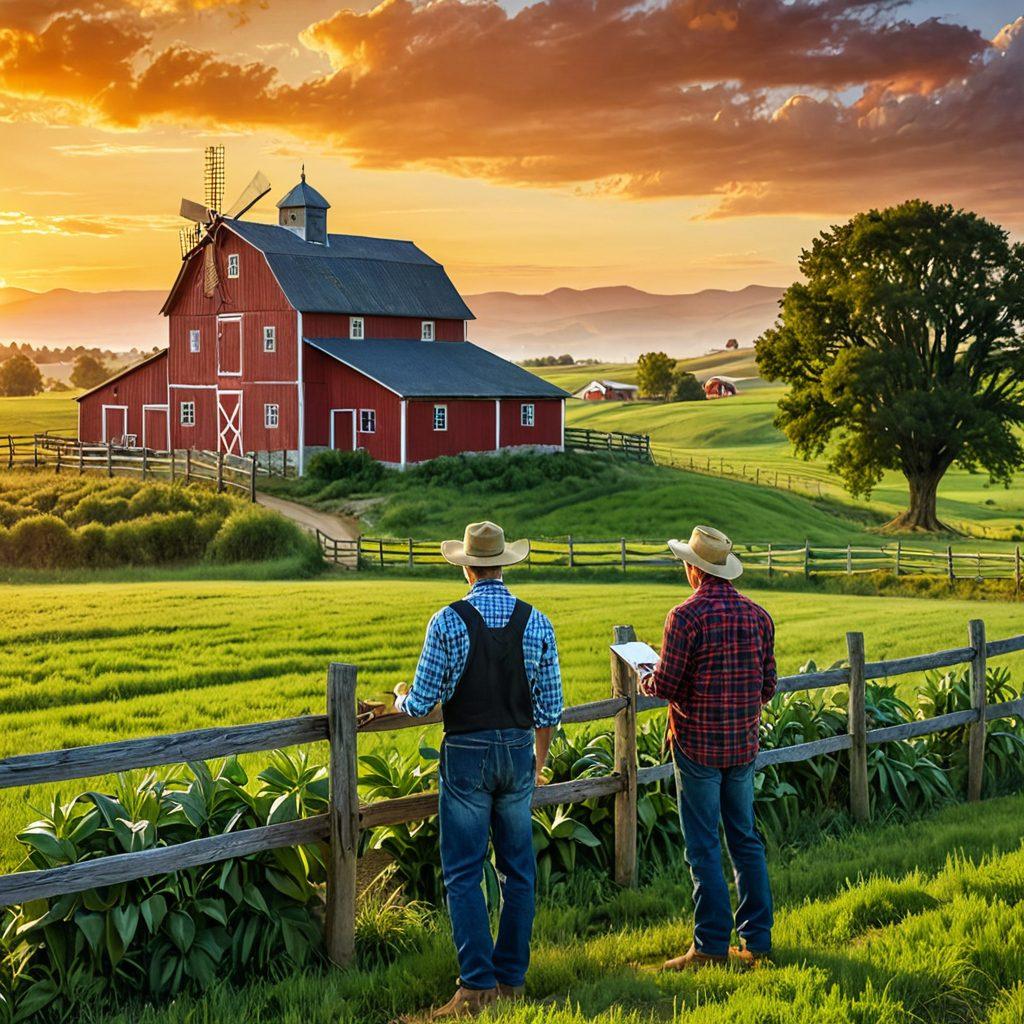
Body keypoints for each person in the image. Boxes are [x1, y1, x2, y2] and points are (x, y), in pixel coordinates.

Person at [393, 521, 563, 1019]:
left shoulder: (446, 621)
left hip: (466, 751)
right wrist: (538, 763)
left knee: (465, 871)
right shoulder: (537, 621)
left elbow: (423, 702)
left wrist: (401, 696)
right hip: (517, 750)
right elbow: (550, 709)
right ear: (504, 566)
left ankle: (474, 987)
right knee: (519, 871)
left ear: (467, 567)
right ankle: (510, 980)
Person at [638, 524, 776, 971]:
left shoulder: (685, 616)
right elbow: (768, 685)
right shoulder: (758, 616)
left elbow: (668, 684)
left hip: (696, 744)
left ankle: (710, 946)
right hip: (742, 745)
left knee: (702, 846)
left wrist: (645, 675)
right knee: (745, 840)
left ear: (694, 570)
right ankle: (757, 941)